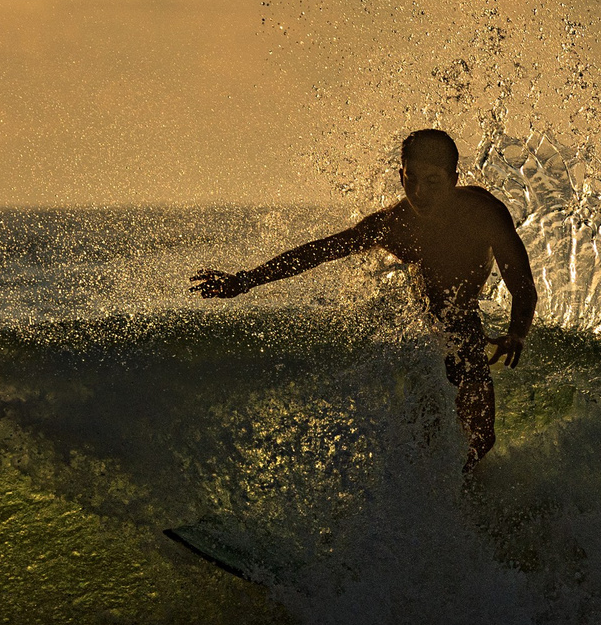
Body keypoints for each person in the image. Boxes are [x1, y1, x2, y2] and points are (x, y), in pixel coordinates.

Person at [192, 128, 537, 469]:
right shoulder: (393, 225)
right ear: (400, 175)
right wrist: (247, 280)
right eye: (410, 178)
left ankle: (466, 503)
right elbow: (321, 251)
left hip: (461, 325)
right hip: (418, 335)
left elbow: (522, 286)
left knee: (481, 440)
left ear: (453, 179)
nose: (419, 192)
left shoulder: (483, 214)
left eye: (433, 181)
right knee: (428, 434)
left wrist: (517, 331)